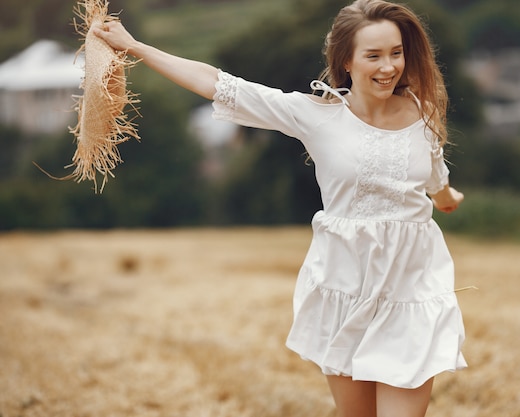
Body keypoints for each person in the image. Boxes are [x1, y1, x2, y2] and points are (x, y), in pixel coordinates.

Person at [94, 0, 467, 416]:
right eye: (374, 55)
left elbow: (433, 171)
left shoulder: (423, 111)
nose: (388, 67)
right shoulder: (316, 116)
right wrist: (136, 47)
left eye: (396, 53)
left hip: (411, 289)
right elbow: (219, 84)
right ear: (346, 60)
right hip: (344, 289)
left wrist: (447, 197)